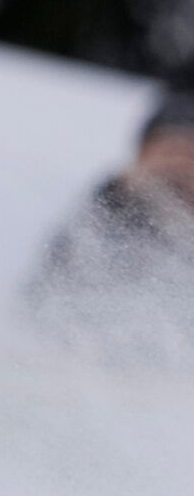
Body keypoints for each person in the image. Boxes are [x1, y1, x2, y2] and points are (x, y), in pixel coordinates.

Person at [27, 87, 194, 367]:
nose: (178, 167)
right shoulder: (111, 205)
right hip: (93, 363)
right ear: (143, 155)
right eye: (169, 152)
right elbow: (46, 298)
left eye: (190, 157)